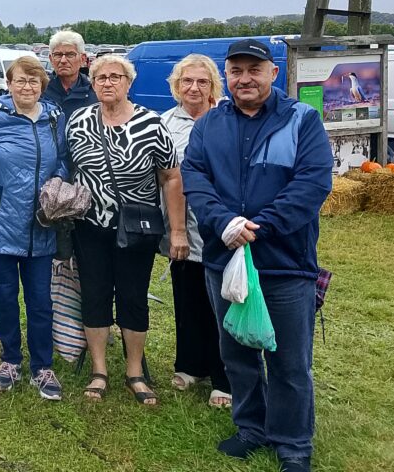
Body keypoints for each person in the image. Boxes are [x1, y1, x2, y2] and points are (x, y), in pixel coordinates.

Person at [182, 39, 333, 472]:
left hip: (284, 263)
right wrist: (224, 222)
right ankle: (251, 427)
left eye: (254, 69)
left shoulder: (302, 120)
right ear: (226, 76)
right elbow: (195, 176)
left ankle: (293, 444)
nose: (244, 79)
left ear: (273, 73)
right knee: (237, 353)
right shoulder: (210, 124)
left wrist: (258, 227)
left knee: (288, 361)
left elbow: (312, 183)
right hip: (224, 260)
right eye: (236, 71)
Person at [65, 54, 187, 407]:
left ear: (128, 83)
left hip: (136, 228)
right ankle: (99, 370)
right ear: (93, 83)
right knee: (95, 294)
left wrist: (178, 231)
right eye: (100, 77)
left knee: (133, 297)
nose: (107, 83)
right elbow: (70, 168)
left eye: (115, 77)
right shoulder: (78, 121)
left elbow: (171, 177)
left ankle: (135, 371)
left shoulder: (151, 124)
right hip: (90, 226)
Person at [0, 55, 68, 400]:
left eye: (33, 81)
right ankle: (10, 359)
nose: (26, 87)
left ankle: (42, 366)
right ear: (8, 84)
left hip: (40, 226)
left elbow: (63, 160)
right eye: (20, 80)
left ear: (42, 86)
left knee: (40, 302)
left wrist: (57, 184)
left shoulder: (54, 117)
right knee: (5, 297)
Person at [159, 55, 232, 408]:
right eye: (187, 81)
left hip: (218, 226)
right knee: (187, 298)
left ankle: (224, 377)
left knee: (221, 303)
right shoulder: (165, 123)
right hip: (180, 225)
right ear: (177, 85)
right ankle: (190, 365)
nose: (194, 88)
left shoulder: (227, 119)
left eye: (202, 82)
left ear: (213, 86)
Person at [43, 29, 96, 123]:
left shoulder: (94, 92)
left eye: (70, 55)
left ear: (82, 58)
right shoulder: (41, 90)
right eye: (58, 55)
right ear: (51, 59)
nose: (63, 60)